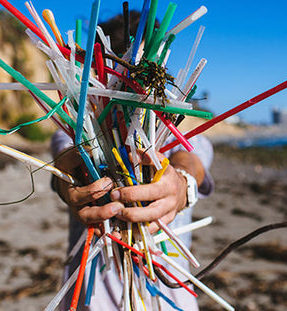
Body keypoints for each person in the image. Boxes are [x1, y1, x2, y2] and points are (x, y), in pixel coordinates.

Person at [51, 11, 214, 311]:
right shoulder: (78, 128)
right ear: (104, 76)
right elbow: (66, 159)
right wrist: (70, 183)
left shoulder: (177, 130)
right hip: (91, 298)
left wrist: (181, 183)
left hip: (168, 299)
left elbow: (192, 156)